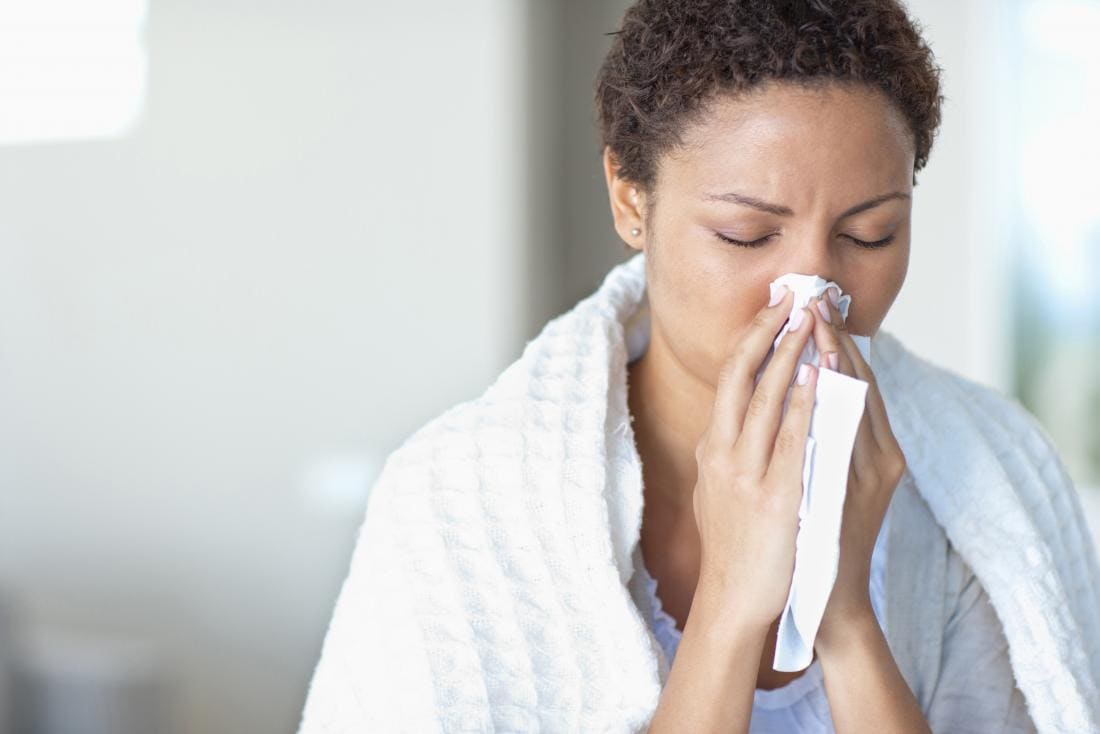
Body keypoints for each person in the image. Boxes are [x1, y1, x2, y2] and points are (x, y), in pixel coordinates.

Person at [297, 1, 1100, 732]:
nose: (810, 298)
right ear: (630, 200)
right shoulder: (455, 504)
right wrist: (725, 613)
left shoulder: (985, 483)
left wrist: (847, 618)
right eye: (747, 236)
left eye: (870, 236)